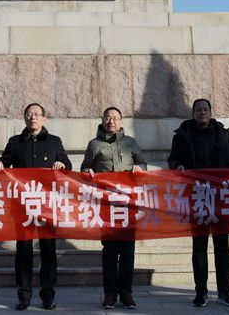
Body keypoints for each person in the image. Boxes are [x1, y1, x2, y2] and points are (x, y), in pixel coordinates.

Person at [0, 102, 72, 311]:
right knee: (24, 250)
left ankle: (48, 295)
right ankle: (24, 295)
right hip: (23, 205)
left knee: (48, 251)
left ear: (44, 118)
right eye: (29, 114)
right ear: (25, 118)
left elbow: (67, 164)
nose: (33, 117)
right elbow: (4, 162)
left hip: (47, 205)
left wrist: (62, 164)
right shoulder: (15, 142)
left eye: (36, 114)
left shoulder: (54, 142)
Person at [167, 98, 229, 308]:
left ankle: (224, 292)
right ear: (193, 113)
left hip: (220, 197)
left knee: (222, 247)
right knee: (199, 246)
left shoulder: (225, 135)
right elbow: (173, 159)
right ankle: (201, 292)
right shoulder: (182, 136)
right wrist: (178, 166)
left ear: (210, 112)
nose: (202, 112)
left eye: (205, 109)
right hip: (197, 196)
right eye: (199, 109)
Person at [80, 107, 147, 310]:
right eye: (108, 118)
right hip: (106, 204)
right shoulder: (94, 144)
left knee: (128, 251)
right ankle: (110, 293)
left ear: (121, 122)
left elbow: (143, 164)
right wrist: (87, 170)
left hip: (127, 204)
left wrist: (140, 168)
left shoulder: (131, 143)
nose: (111, 121)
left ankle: (126, 293)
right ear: (102, 120)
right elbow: (84, 167)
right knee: (109, 251)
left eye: (115, 118)